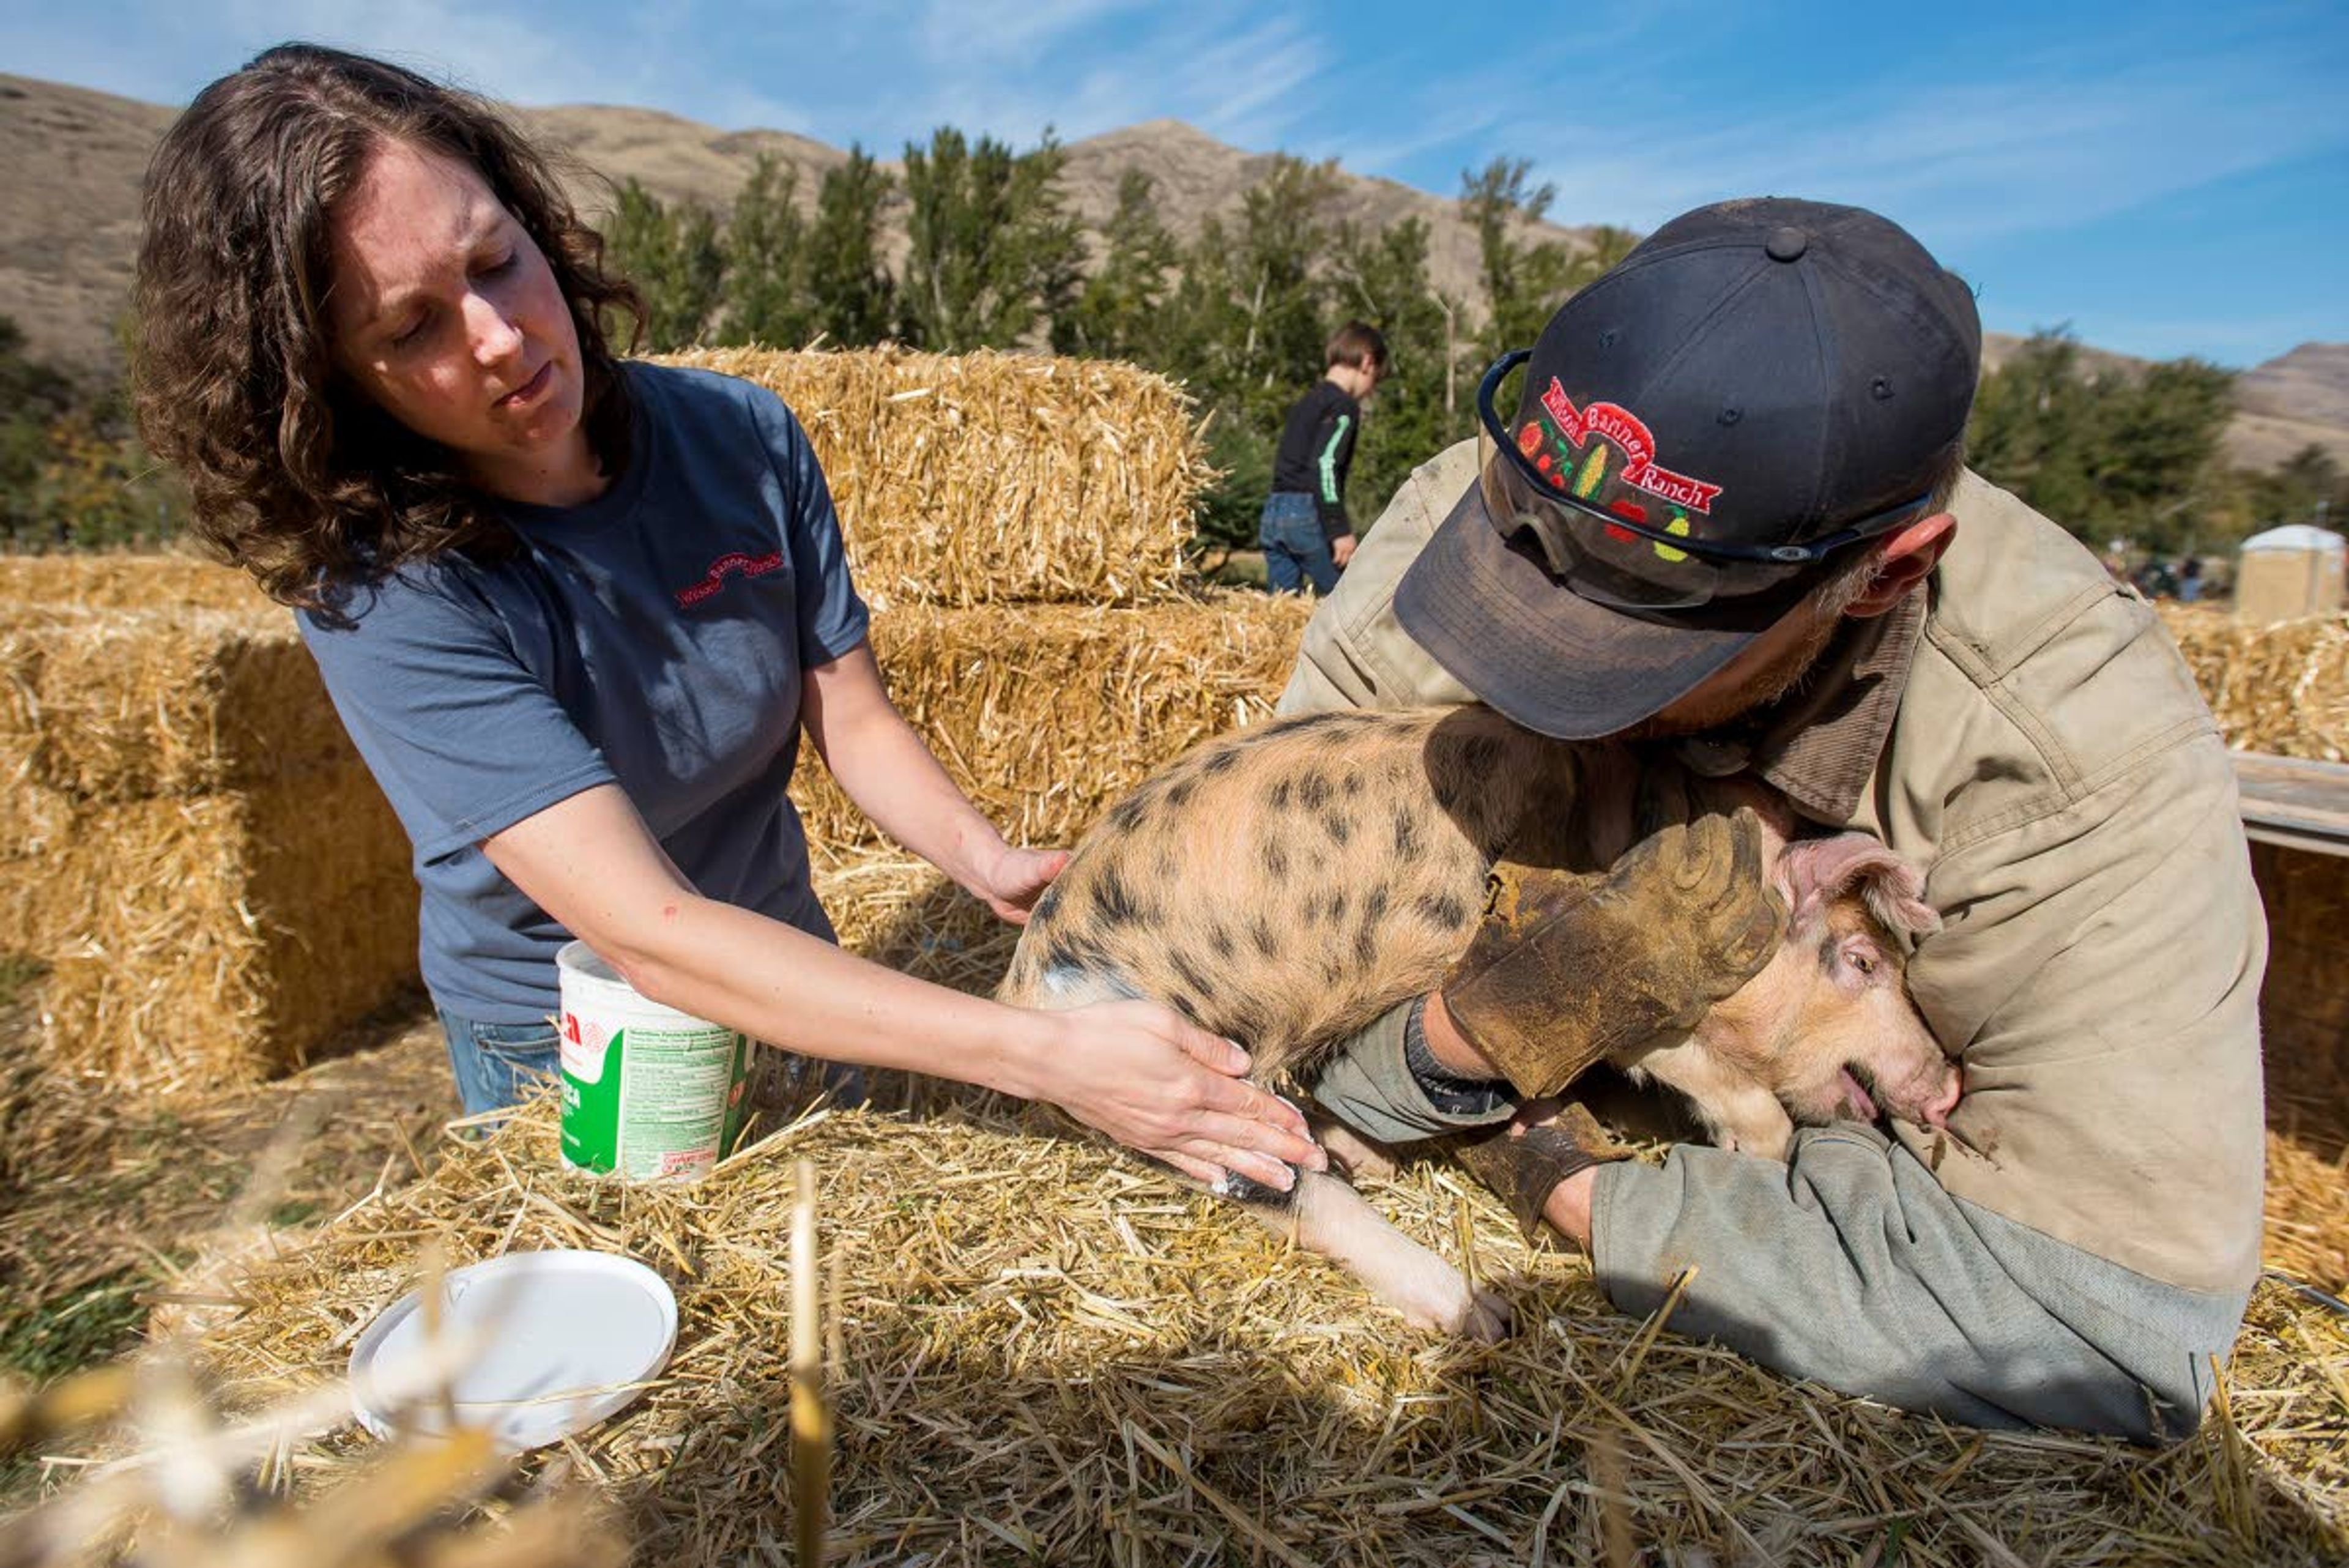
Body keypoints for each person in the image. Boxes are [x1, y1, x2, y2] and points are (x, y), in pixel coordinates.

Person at [129, 43, 1321, 1197]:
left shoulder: (743, 441)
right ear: (330, 387)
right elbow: (648, 933)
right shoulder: (384, 594)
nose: (497, 336)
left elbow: (848, 716)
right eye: (411, 329)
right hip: (584, 1045)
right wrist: (1046, 1056)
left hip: (797, 976)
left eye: (493, 261)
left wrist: (981, 857)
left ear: (535, 224)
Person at [1288, 199, 2265, 1443]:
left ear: (1890, 572)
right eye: (1531, 573)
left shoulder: (2074, 757)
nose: (1539, 669)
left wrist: (1561, 1180)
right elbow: (1271, 1011)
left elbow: (2094, 1321)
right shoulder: (1452, 530)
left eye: (1645, 640)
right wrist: (1477, 1040)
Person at [1260, 322, 1387, 595]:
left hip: (1273, 511)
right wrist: (1338, 529)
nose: (1370, 390)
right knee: (1348, 600)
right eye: (1375, 379)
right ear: (1367, 362)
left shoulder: (1307, 401)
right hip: (1306, 515)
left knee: (1283, 608)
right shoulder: (1343, 406)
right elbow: (1325, 465)